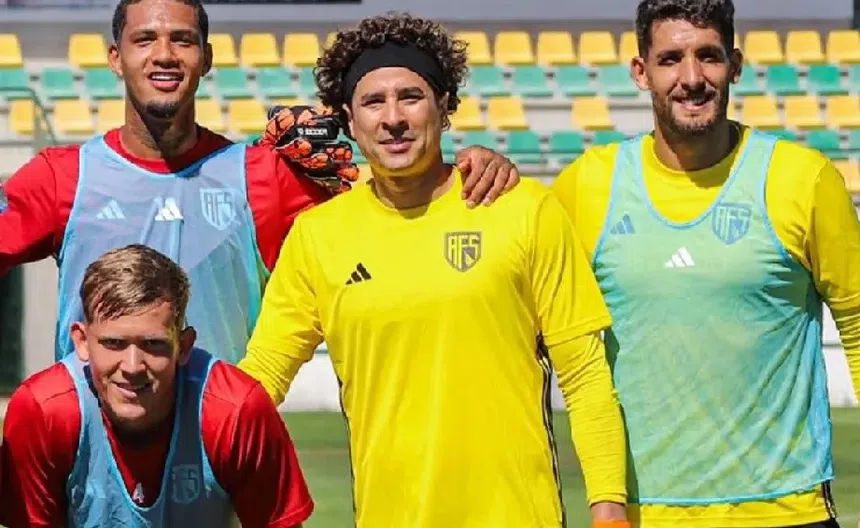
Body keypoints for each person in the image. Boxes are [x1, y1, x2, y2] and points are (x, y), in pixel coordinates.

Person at [238, 13, 631, 528]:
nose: (393, 118)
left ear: (444, 107)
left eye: (411, 97)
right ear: (350, 120)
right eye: (373, 102)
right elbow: (263, 375)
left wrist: (608, 509)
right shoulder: (318, 237)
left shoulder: (523, 210)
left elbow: (584, 375)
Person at [0, 0, 519, 365]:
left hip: (221, 453)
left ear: (206, 59)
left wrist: (465, 168)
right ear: (116, 58)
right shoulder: (63, 176)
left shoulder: (262, 175)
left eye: (182, 40)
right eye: (144, 40)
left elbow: (393, 209)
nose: (164, 54)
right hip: (89, 457)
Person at [548, 1, 860, 527]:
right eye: (670, 59)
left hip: (789, 512)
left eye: (709, 56)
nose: (692, 78)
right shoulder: (588, 185)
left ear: (734, 66)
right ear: (641, 71)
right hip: (644, 516)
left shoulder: (803, 179)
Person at [0, 244, 313, 527]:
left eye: (153, 344)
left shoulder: (235, 411)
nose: (132, 366)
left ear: (184, 345)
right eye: (113, 343)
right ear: (81, 341)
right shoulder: (43, 411)